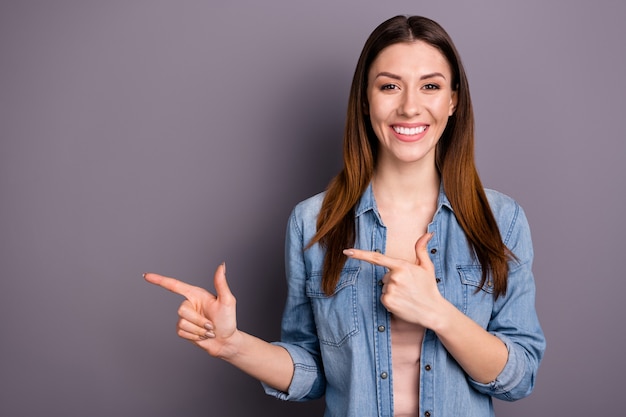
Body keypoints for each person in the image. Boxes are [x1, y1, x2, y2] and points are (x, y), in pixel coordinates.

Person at [144, 15, 545, 417]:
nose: (409, 107)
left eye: (430, 86)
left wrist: (437, 312)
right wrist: (232, 344)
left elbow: (519, 375)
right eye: (390, 86)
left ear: (453, 100)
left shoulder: (501, 220)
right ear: (366, 99)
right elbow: (312, 371)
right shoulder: (313, 222)